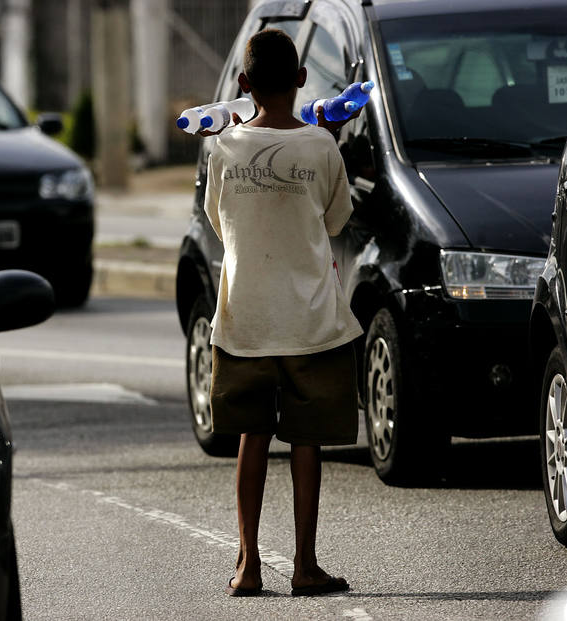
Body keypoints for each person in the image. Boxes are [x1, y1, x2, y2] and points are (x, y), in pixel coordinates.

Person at [202, 29, 364, 597]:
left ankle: (247, 566)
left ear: (243, 85)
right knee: (306, 440)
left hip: (244, 316)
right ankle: (304, 565)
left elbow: (218, 224)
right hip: (310, 320)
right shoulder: (321, 146)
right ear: (301, 81)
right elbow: (338, 220)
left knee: (251, 435)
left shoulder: (223, 147)